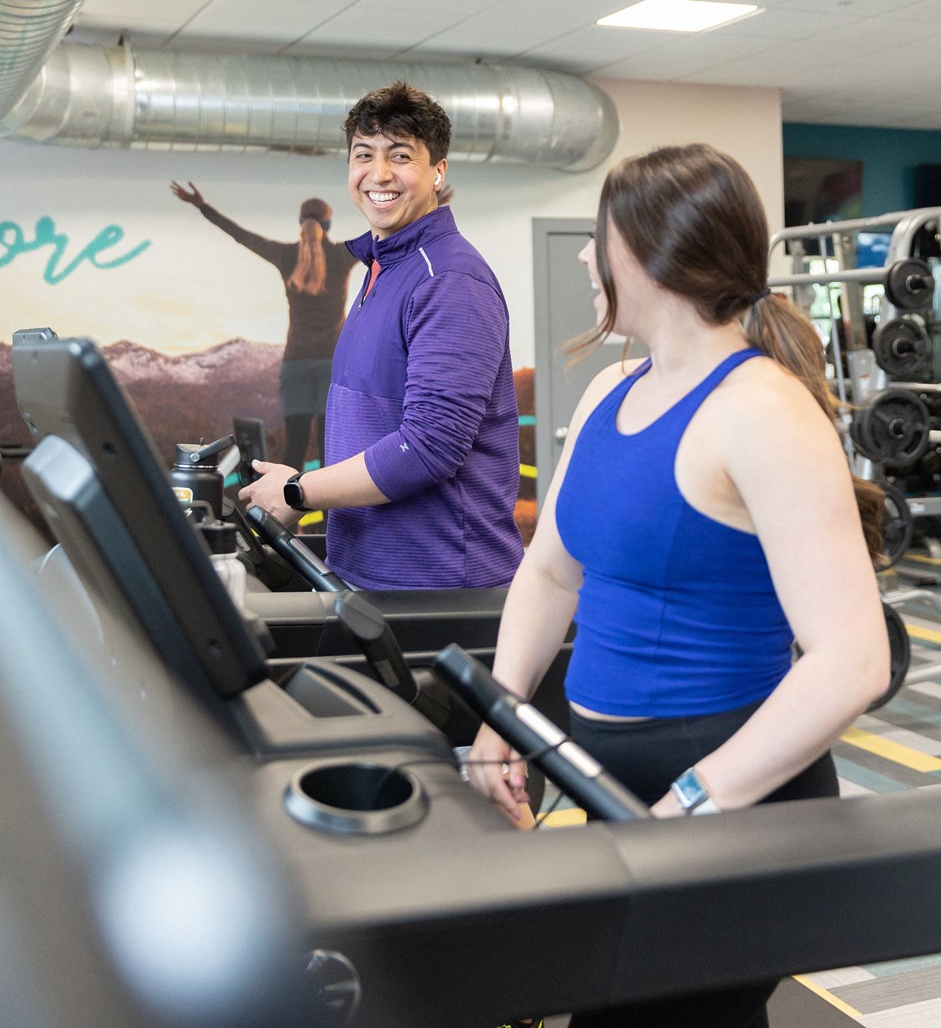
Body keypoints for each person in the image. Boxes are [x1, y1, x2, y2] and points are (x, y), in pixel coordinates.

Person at [467, 143, 890, 1028]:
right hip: (615, 783)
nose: (585, 256)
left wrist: (694, 801)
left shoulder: (763, 411)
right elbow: (549, 570)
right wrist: (499, 717)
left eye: (598, 238)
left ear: (655, 257)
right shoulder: (612, 392)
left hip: (728, 797)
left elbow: (853, 660)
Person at [239, 80, 524, 590]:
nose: (379, 174)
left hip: (438, 588)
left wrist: (299, 491)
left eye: (400, 155)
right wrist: (299, 490)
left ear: (438, 171)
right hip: (370, 575)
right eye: (363, 154)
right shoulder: (382, 270)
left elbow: (428, 447)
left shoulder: (448, 279)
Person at [170, 183, 357, 473]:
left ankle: (286, 515)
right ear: (329, 224)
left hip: (295, 363)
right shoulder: (344, 255)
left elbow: (241, 236)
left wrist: (202, 206)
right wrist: (427, 204)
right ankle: (330, 519)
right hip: (333, 363)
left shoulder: (284, 255)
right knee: (327, 447)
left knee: (294, 446)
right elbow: (388, 233)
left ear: (300, 222)